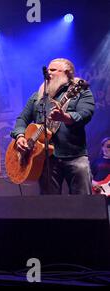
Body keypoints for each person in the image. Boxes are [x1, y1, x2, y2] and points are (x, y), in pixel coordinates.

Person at [10, 58, 95, 194]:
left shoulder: (80, 91)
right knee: (49, 206)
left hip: (74, 155)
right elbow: (22, 119)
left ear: (67, 72)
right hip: (45, 159)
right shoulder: (37, 97)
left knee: (82, 200)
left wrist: (65, 117)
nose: (48, 73)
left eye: (53, 70)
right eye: (48, 70)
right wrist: (20, 136)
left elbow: (86, 114)